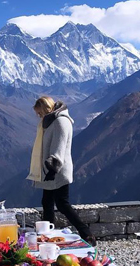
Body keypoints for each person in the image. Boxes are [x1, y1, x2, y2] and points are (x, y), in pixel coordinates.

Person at [27, 96, 96, 246]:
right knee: (47, 202)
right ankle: (47, 236)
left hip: (57, 169)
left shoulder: (60, 121)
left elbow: (60, 146)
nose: (39, 116)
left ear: (46, 109)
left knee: (62, 203)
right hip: (51, 168)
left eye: (40, 113)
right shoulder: (52, 120)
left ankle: (87, 234)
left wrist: (53, 167)